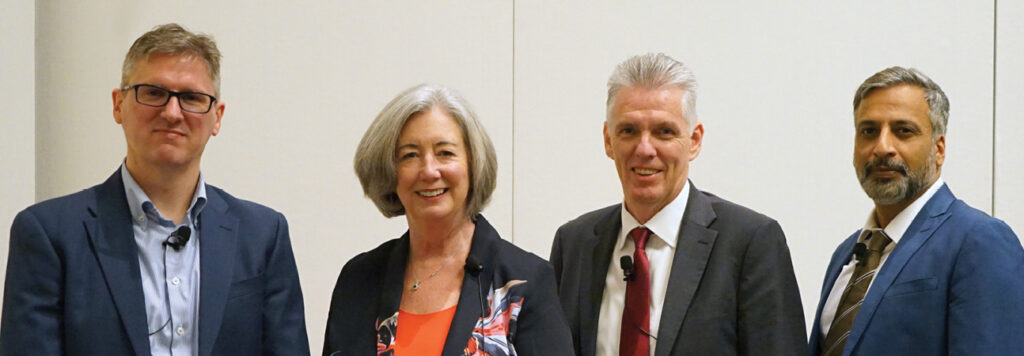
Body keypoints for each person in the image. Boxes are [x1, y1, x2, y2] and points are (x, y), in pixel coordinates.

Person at [0, 24, 309, 356]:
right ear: (118, 105)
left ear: (217, 117)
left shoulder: (263, 235)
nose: (172, 112)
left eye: (191, 98)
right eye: (153, 92)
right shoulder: (49, 233)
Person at [550, 53, 806, 356]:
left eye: (664, 132)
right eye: (629, 130)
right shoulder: (574, 244)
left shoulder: (750, 243)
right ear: (608, 140)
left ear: (694, 140)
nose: (645, 149)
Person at [322, 84, 573, 356]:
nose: (429, 170)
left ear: (473, 164)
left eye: (445, 153)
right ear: (390, 172)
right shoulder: (359, 279)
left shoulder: (525, 283)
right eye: (410, 155)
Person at [807, 67, 1024, 356]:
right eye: (869, 131)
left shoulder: (979, 241)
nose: (883, 147)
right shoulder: (846, 254)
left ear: (939, 149)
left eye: (903, 131)